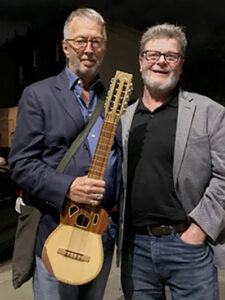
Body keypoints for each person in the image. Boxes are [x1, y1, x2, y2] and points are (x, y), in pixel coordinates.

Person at [9, 8, 122, 300]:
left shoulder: (113, 101)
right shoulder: (39, 95)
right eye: (81, 40)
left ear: (104, 48)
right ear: (65, 46)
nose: (89, 49)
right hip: (58, 229)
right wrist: (69, 187)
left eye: (96, 41)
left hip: (103, 231)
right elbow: (21, 164)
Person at [118, 23, 225, 299]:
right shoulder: (122, 119)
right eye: (153, 54)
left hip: (187, 246)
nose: (161, 61)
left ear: (181, 64)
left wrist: (199, 230)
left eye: (171, 56)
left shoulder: (209, 113)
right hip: (135, 249)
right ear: (141, 60)